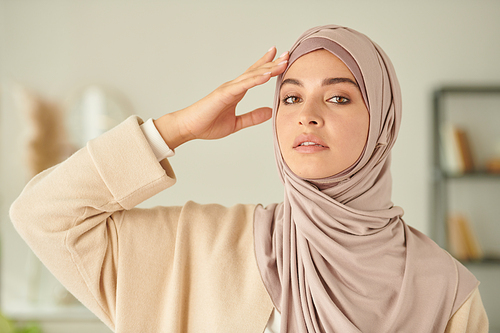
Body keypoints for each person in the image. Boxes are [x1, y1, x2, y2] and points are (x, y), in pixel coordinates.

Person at [10, 25, 488, 333]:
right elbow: (43, 215)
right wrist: (177, 129)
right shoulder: (199, 247)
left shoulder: (444, 290)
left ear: (383, 121)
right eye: (291, 98)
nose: (308, 116)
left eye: (339, 98)